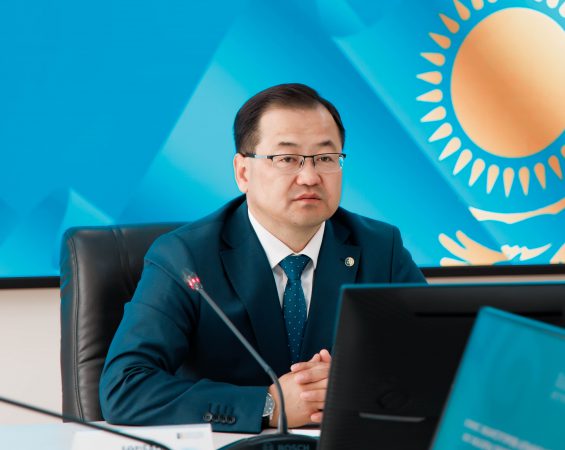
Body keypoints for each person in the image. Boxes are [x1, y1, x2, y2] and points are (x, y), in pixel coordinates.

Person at [99, 83, 426, 433]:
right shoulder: (184, 257)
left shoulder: (381, 248)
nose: (310, 177)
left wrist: (358, 386)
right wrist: (268, 405)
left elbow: (444, 362)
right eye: (287, 159)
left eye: (326, 158)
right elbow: (124, 387)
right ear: (243, 172)